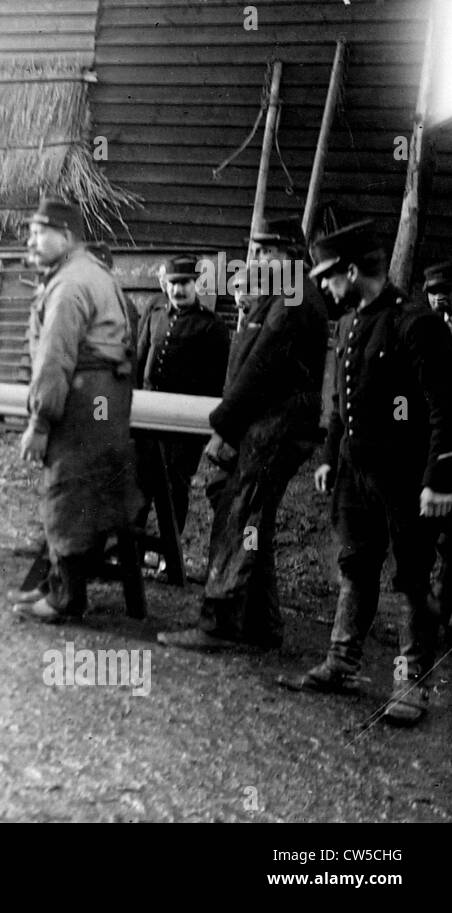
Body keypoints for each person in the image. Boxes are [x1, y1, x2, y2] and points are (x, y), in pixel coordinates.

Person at [278, 221, 452, 726]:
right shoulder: (353, 323)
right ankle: (341, 661)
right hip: (357, 477)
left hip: (404, 480)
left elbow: (445, 409)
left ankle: (411, 682)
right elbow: (342, 401)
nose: (328, 289)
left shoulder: (415, 323)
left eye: (331, 278)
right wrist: (331, 455)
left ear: (353, 271)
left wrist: (438, 478)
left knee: (412, 581)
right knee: (356, 566)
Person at [159, 217, 328, 651]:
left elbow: (262, 368)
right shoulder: (279, 294)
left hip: (272, 431)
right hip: (264, 428)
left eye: (263, 251)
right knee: (251, 522)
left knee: (239, 519)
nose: (255, 259)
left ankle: (219, 625)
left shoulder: (292, 296)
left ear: (287, 254)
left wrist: (224, 422)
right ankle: (261, 625)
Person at [13, 198, 140, 623]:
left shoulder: (69, 285)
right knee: (88, 492)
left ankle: (66, 599)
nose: (31, 241)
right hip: (106, 397)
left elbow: (54, 358)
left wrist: (40, 421)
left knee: (66, 490)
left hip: (81, 398)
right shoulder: (93, 272)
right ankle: (60, 588)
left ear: (66, 236)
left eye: (39, 232)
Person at [134, 255, 230, 540]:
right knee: (140, 481)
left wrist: (201, 429)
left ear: (196, 284)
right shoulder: (155, 311)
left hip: (183, 422)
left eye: (185, 284)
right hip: (148, 414)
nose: (178, 290)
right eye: (173, 284)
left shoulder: (211, 326)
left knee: (174, 486)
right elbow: (140, 360)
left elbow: (213, 386)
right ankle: (133, 548)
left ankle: (169, 552)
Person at [421, 259, 452, 643]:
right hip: (431, 445)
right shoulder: (421, 333)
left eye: (447, 293)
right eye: (434, 292)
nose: (441, 299)